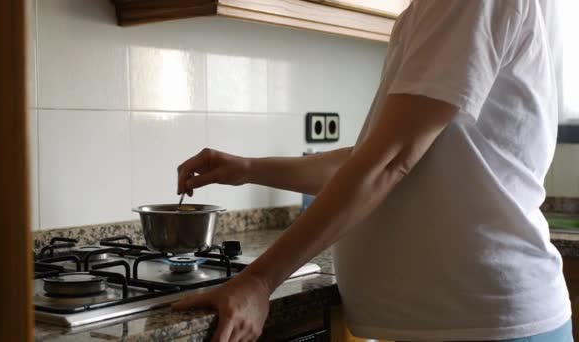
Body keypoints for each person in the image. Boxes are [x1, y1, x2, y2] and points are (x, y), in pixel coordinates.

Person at [171, 0, 573, 341]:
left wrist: (259, 281)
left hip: (485, 321)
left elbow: (389, 159)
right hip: (462, 319)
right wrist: (250, 169)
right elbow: (383, 158)